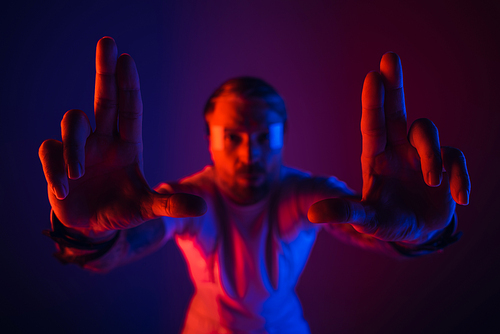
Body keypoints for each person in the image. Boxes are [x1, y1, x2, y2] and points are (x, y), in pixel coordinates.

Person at [39, 37, 470, 333]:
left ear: (284, 136)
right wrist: (85, 232)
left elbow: (368, 226)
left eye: (265, 137)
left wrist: (421, 232)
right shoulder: (186, 201)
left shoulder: (306, 194)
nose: (250, 154)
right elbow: (119, 249)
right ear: (209, 141)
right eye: (234, 137)